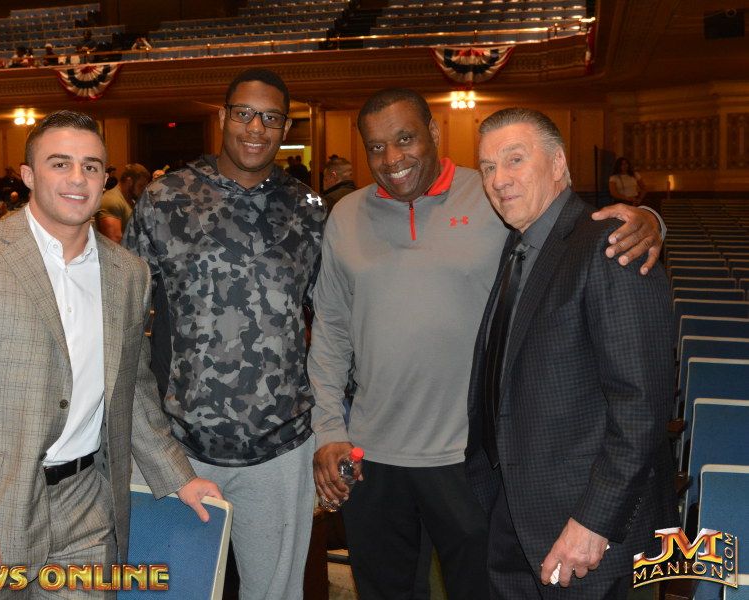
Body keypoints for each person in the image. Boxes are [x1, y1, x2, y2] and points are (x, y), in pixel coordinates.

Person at [308, 88, 665, 599]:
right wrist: (329, 428)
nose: (392, 158)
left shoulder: (495, 198)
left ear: (434, 133)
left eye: (405, 138)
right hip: (375, 454)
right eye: (377, 147)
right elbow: (330, 333)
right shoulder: (346, 216)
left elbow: (576, 233)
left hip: (474, 459)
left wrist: (649, 220)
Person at [0, 110, 221, 591]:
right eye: (60, 164)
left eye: (91, 166)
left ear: (104, 178)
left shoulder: (129, 273)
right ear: (28, 175)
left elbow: (132, 388)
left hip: (87, 503)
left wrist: (179, 476)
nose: (78, 178)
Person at [124, 68, 324, 600]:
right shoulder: (164, 200)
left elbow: (332, 327)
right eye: (244, 113)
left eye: (271, 117)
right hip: (180, 446)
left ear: (286, 127)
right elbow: (125, 327)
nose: (256, 127)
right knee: (172, 590)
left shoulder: (309, 211)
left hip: (281, 447)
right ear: (222, 117)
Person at [467, 107, 676, 599]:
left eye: (515, 159)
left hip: (584, 531)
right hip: (514, 510)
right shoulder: (518, 245)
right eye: (488, 167)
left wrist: (594, 521)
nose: (499, 179)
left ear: (559, 163)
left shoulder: (611, 244)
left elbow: (642, 406)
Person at [95, 163, 150, 244]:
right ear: (129, 181)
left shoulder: (130, 199)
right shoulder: (113, 201)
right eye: (140, 186)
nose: (143, 191)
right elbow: (114, 242)